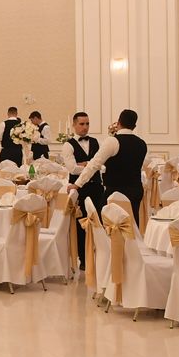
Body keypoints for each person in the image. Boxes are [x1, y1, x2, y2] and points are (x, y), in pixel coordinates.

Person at [74, 108, 147, 228]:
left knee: (109, 228)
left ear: (118, 123)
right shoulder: (142, 144)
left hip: (115, 192)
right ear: (134, 126)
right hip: (135, 190)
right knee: (131, 226)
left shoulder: (113, 141)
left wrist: (77, 184)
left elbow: (94, 164)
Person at [64, 112, 103, 269]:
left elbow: (102, 165)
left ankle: (99, 256)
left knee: (98, 222)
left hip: (97, 187)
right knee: (81, 224)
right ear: (74, 125)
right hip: (79, 189)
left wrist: (85, 164)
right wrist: (91, 165)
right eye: (81, 124)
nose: (85, 127)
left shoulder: (95, 142)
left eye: (87, 123)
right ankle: (83, 259)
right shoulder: (68, 145)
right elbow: (72, 168)